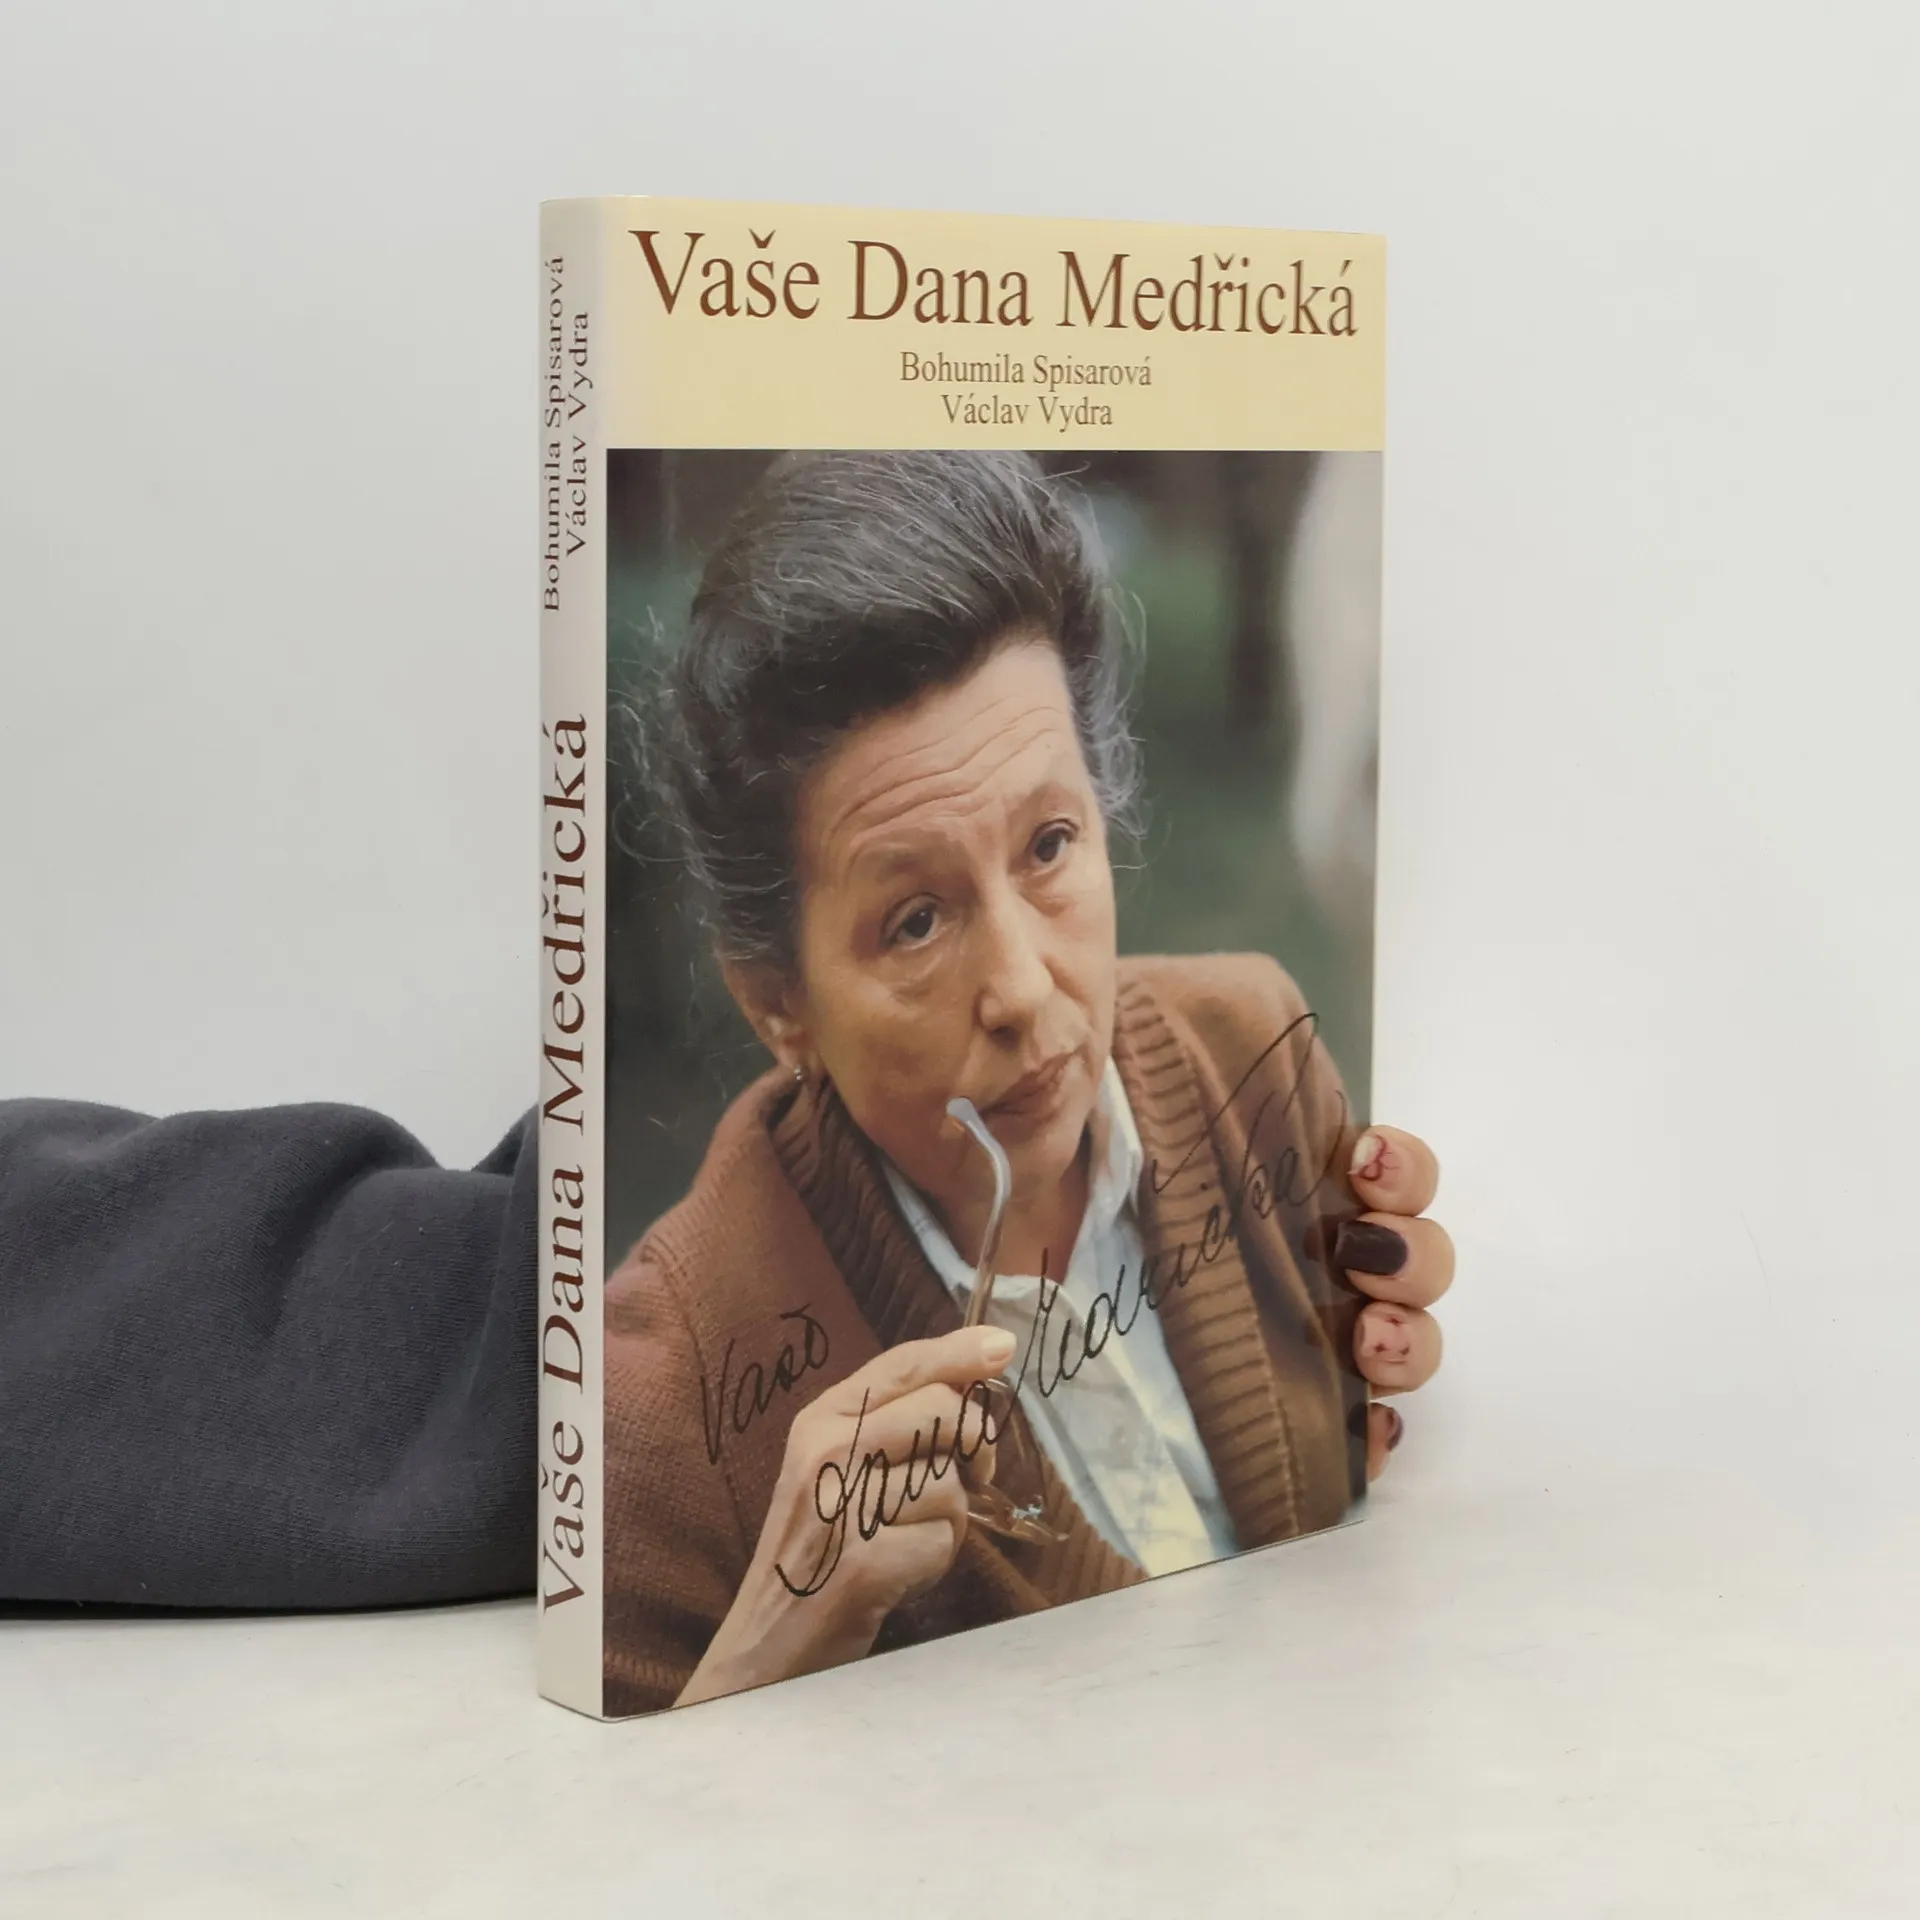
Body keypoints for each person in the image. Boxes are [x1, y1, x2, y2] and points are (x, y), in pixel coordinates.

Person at [603, 450, 1452, 1714]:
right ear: (777, 1001)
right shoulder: (666, 1395)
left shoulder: (1254, 1050)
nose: (1019, 987)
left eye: (1049, 844)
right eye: (914, 921)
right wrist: (767, 1662)